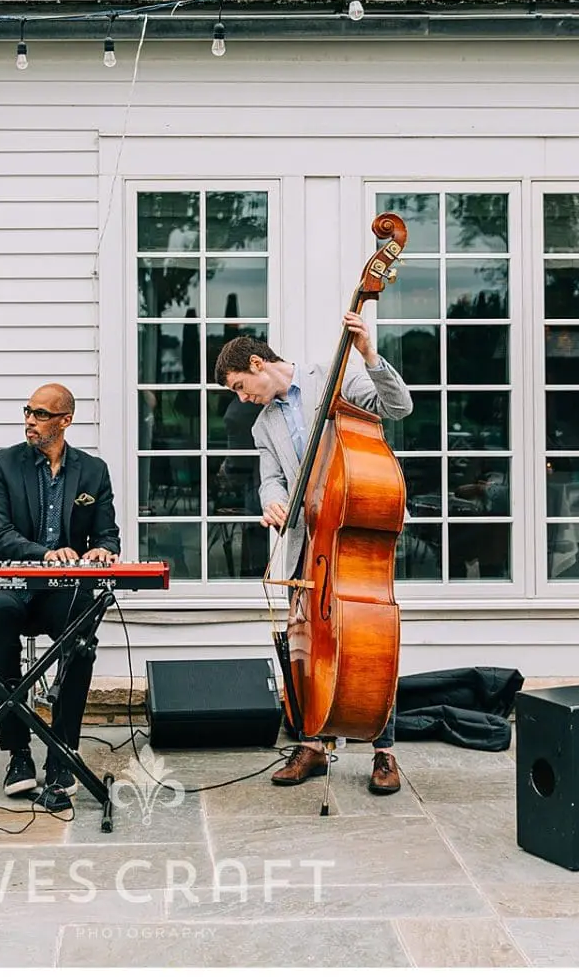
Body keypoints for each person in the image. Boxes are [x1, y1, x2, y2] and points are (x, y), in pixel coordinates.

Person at [214, 311, 414, 797]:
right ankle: (311, 742)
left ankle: (383, 749)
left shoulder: (335, 375)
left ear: (258, 364)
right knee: (305, 642)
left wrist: (370, 355)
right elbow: (271, 479)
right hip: (310, 542)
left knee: (371, 638)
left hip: (356, 530)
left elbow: (398, 407)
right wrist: (272, 501)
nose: (242, 399)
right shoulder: (264, 426)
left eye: (240, 386)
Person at [0, 382, 121, 813]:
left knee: (82, 637)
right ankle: (18, 752)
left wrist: (102, 550)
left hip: (62, 590)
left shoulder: (93, 471)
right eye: (28, 411)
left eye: (40, 414)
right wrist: (44, 553)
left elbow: (107, 532)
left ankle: (62, 752)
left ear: (65, 421)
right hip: (9, 582)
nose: (30, 421)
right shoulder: (1, 464)